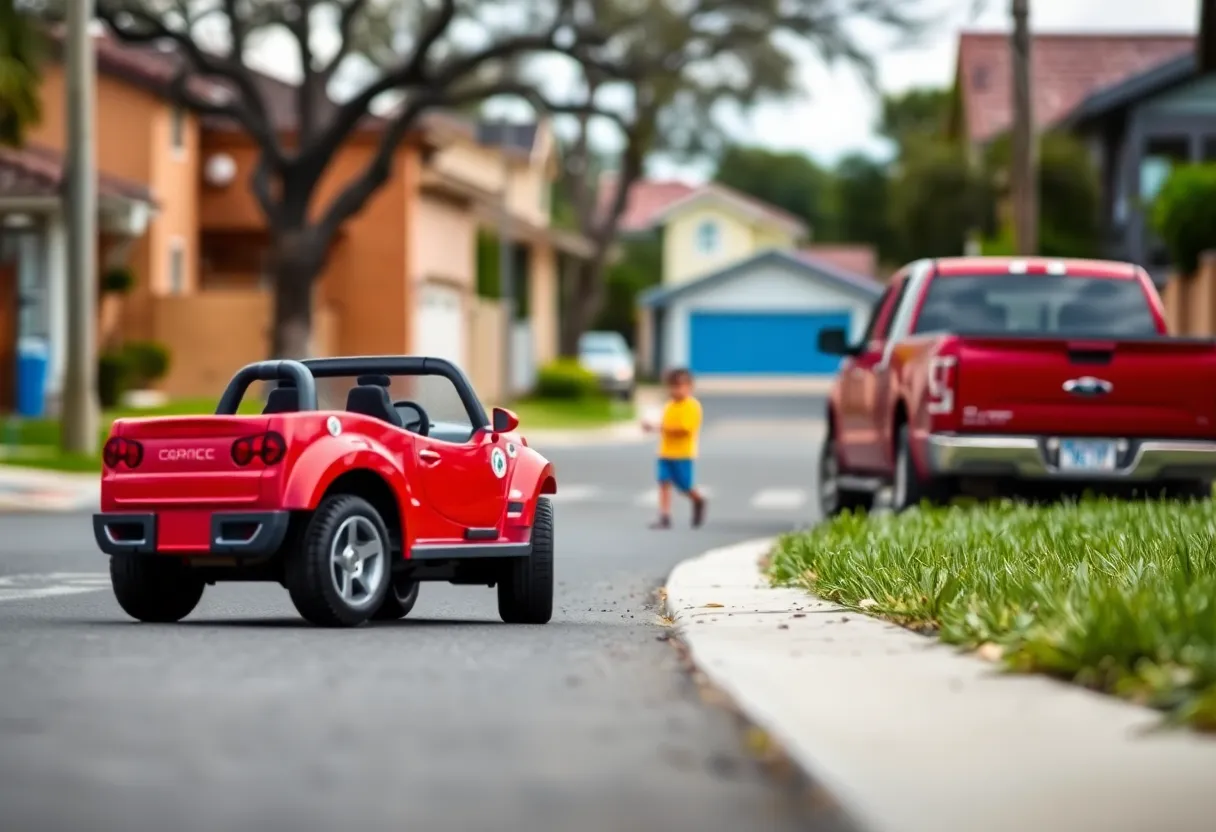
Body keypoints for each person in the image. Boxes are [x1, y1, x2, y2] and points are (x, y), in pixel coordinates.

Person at [642, 367, 706, 529]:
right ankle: (664, 516)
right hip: (666, 452)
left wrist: (659, 427)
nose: (676, 390)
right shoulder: (669, 406)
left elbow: (684, 429)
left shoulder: (692, 406)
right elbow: (665, 425)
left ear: (689, 387)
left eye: (680, 386)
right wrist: (654, 427)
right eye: (673, 386)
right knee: (663, 482)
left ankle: (698, 499)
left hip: (683, 453)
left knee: (685, 486)